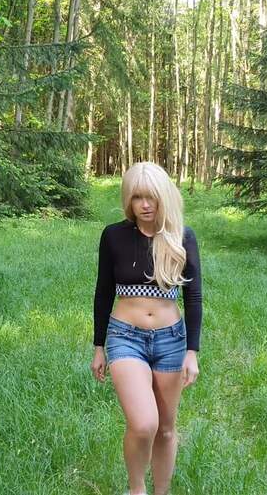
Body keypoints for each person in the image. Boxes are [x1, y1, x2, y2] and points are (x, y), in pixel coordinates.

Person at [90, 161, 203, 495]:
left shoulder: (181, 236)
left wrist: (192, 352)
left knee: (166, 428)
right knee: (144, 424)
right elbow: (103, 291)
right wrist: (99, 346)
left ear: (163, 196)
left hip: (171, 340)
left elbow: (194, 296)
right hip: (125, 337)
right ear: (128, 199)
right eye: (137, 197)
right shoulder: (114, 236)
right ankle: (137, 489)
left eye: (151, 196)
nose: (144, 204)